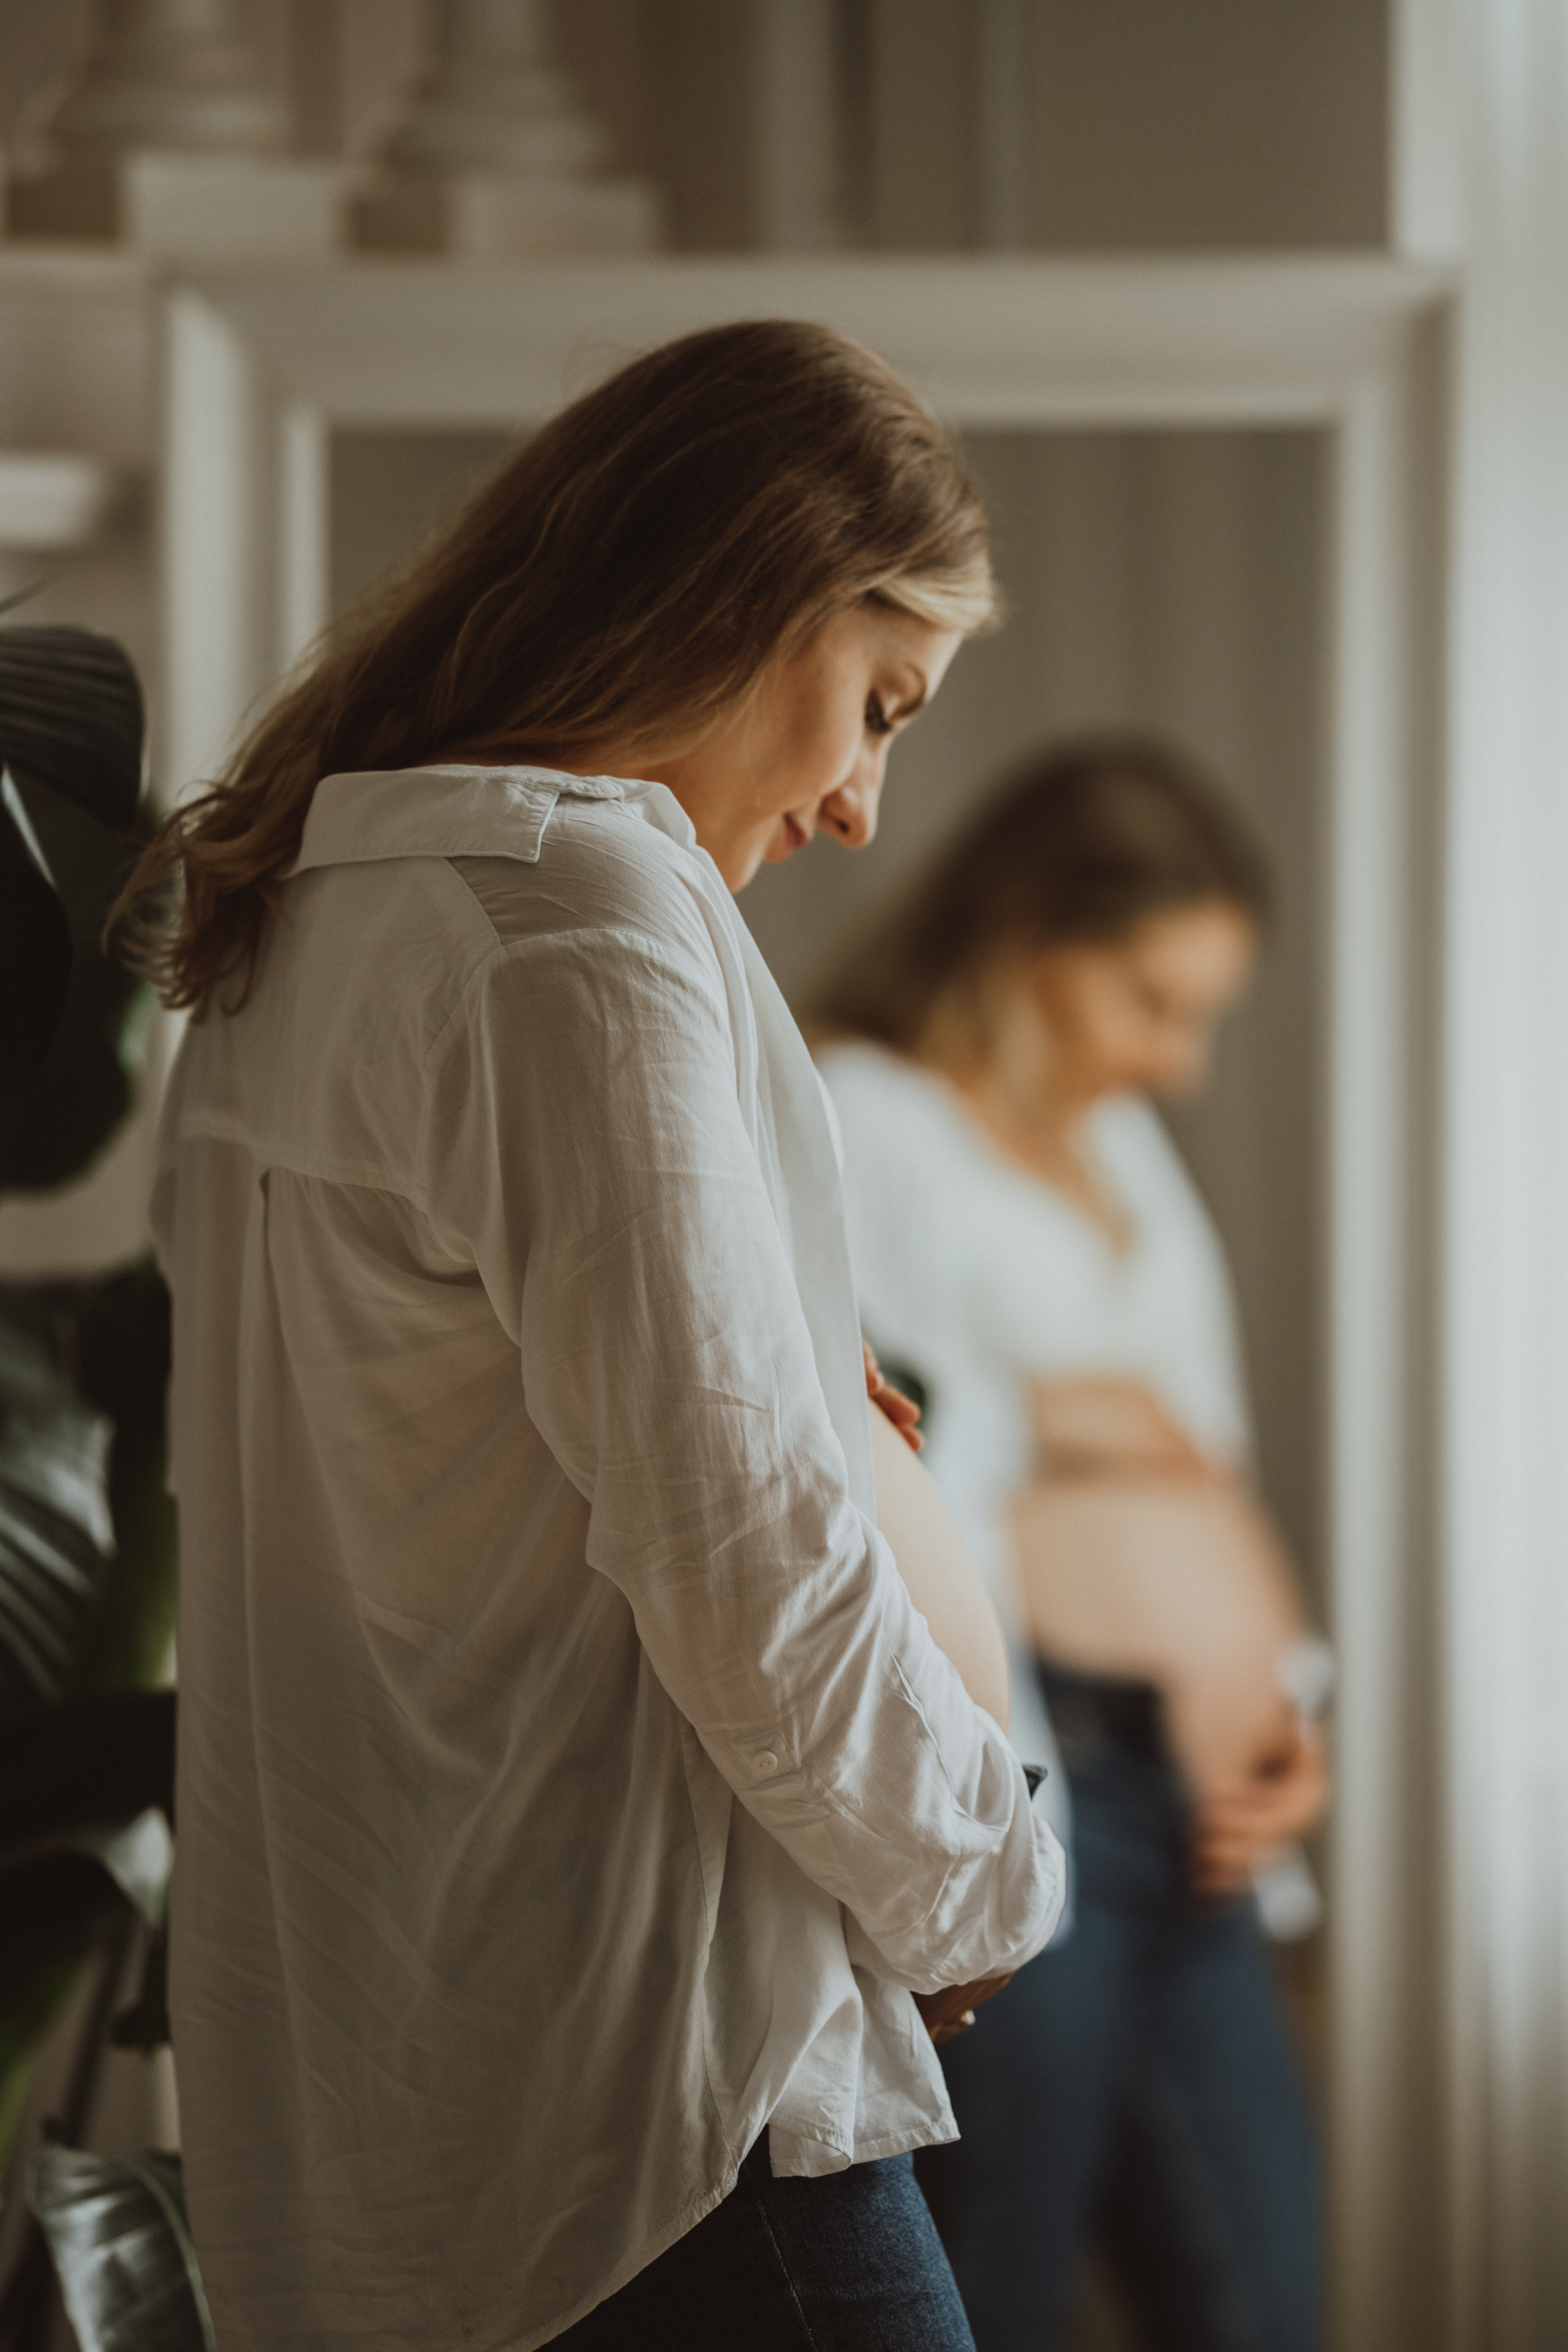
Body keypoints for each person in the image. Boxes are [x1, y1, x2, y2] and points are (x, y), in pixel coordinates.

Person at [124, 321, 1066, 2352]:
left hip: (472, 2089)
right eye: (880, 706)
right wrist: (988, 1887)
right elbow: (751, 1560)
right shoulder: (573, 935)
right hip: (670, 2114)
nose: (862, 809)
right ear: (759, 587)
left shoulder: (314, 914)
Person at [815, 738, 1328, 2351]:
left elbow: (1208, 1460)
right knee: (995, 2297)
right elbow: (855, 1434)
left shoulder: (1120, 1150)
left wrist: (1291, 1710)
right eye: (1150, 1004)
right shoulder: (865, 1115)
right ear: (1027, 942)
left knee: (1259, 2304)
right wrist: (1056, 1415)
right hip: (1044, 1782)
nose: (1180, 1062)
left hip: (1201, 1813)